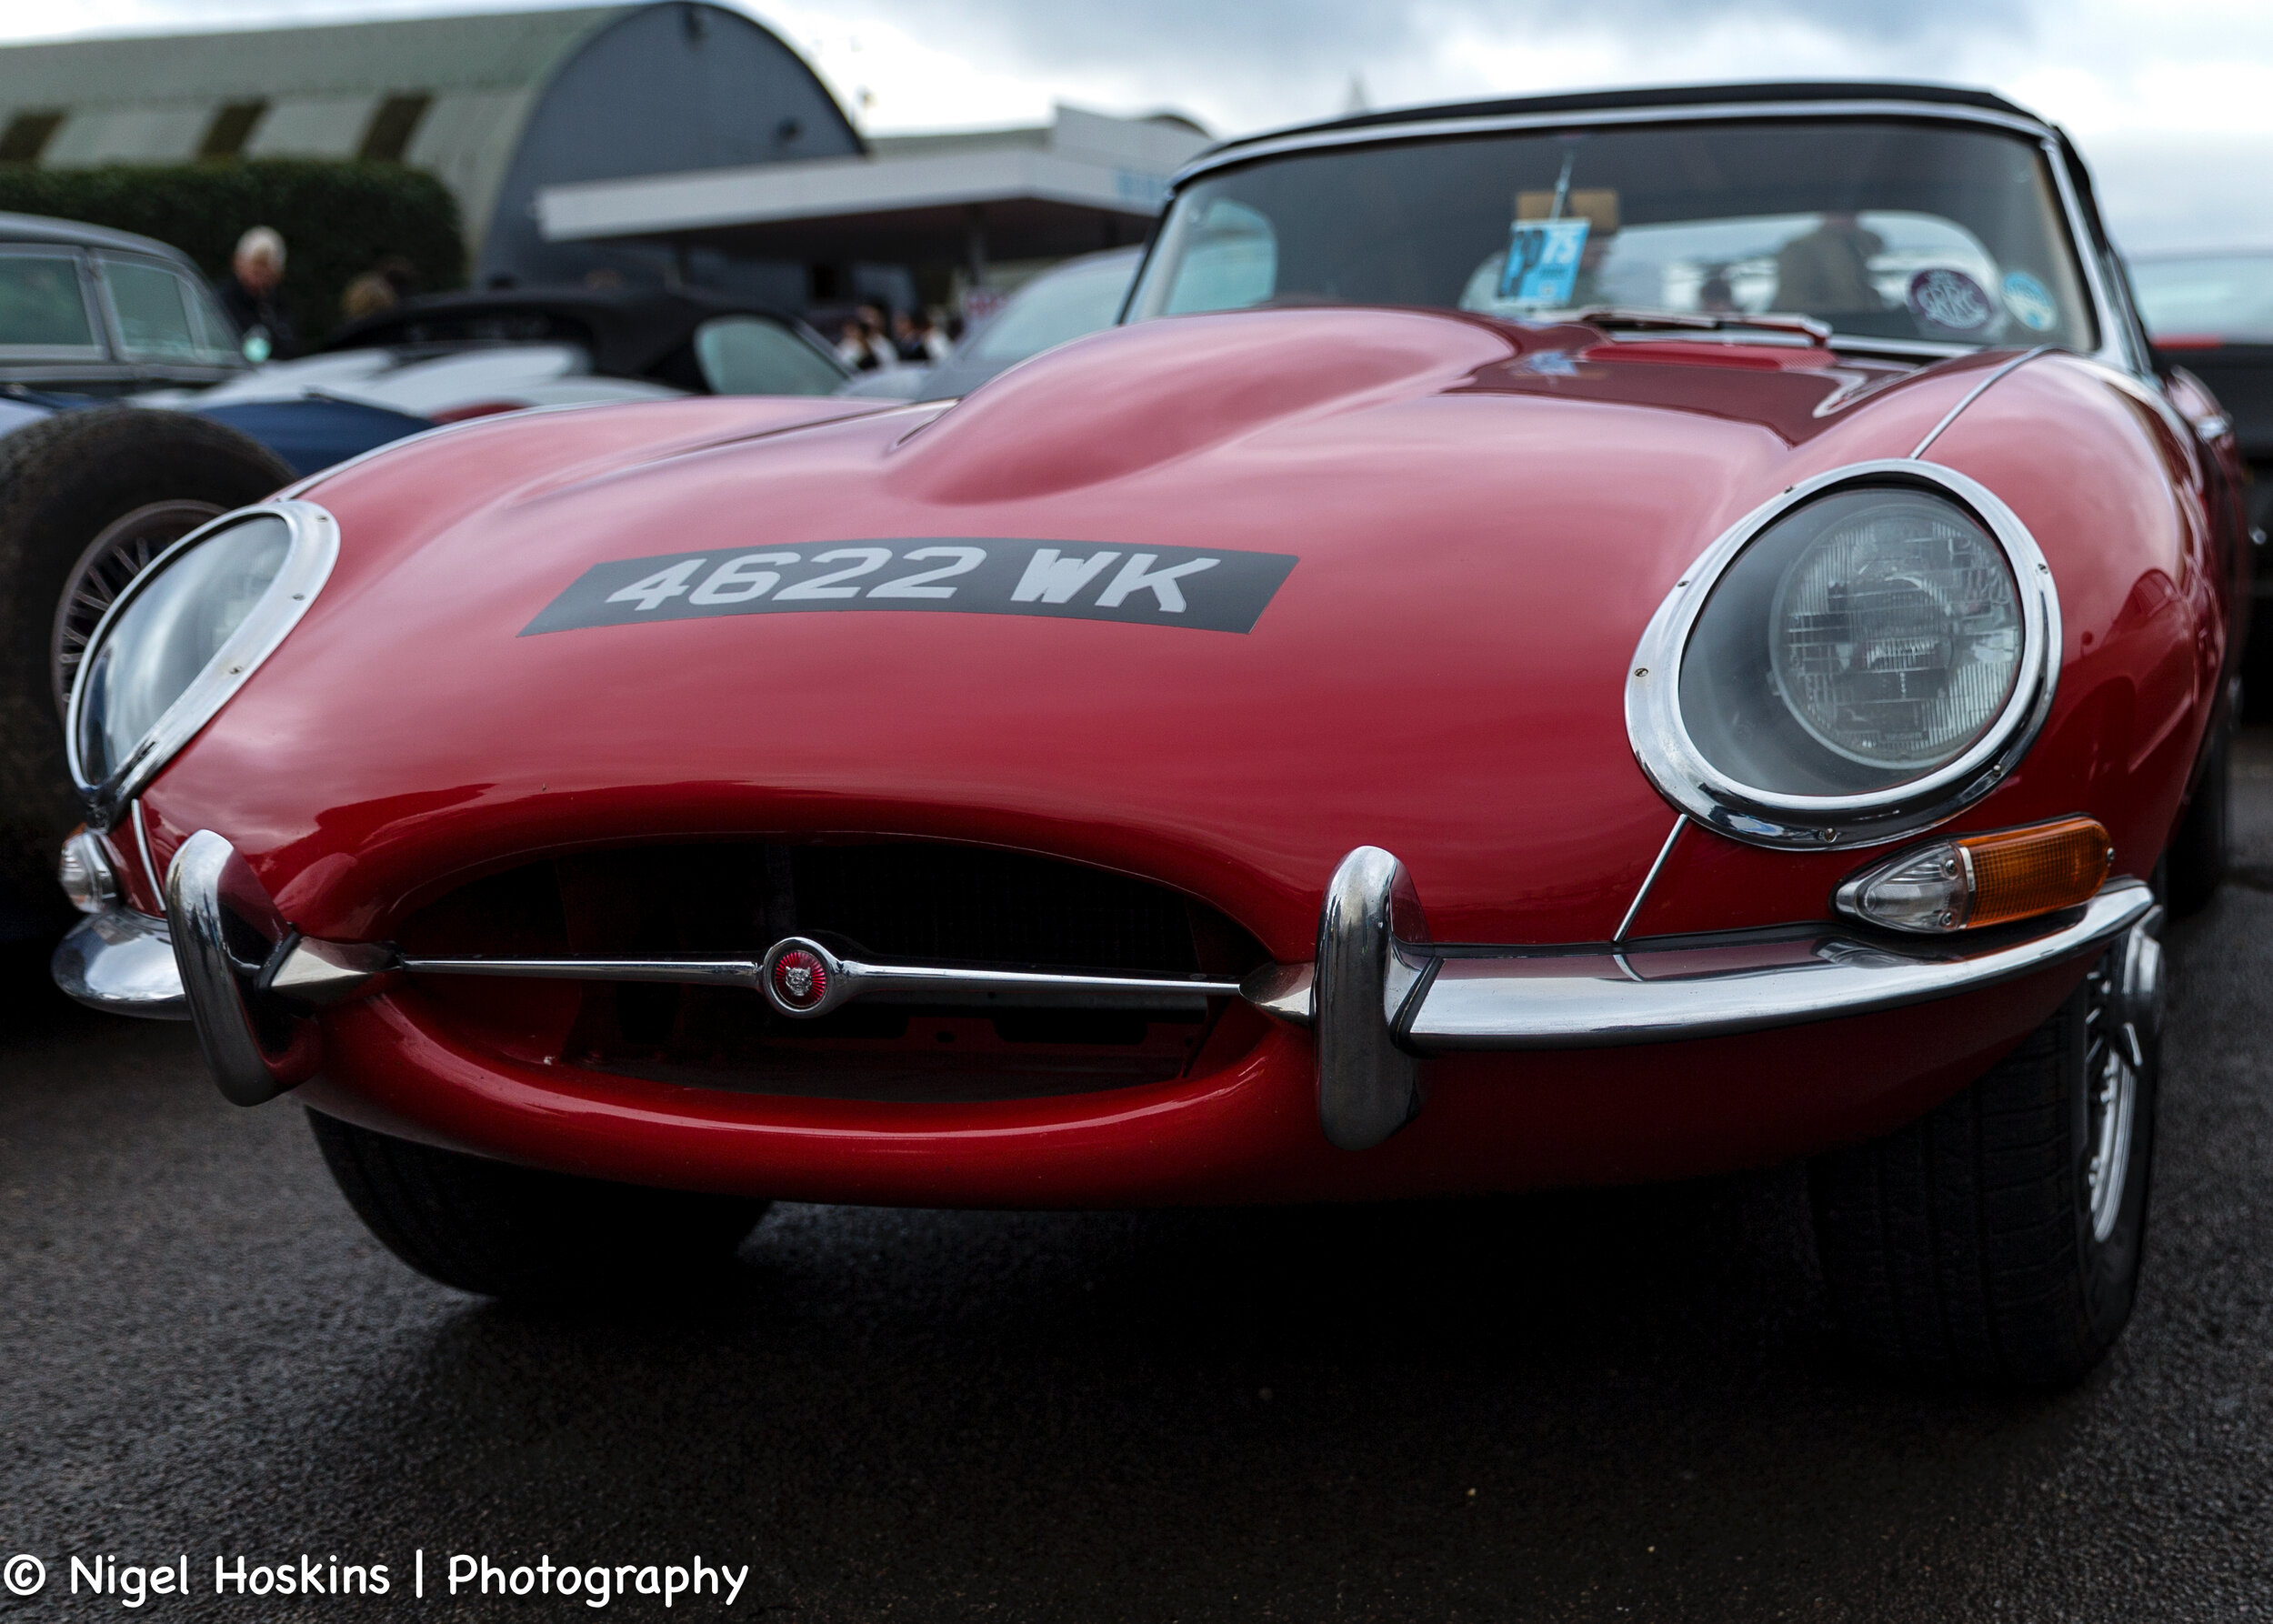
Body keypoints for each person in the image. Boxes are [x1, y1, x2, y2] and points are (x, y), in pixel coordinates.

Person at [1773, 212, 1885, 317]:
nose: (1849, 217)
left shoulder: (1861, 242)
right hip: (1827, 326)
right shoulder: (1800, 248)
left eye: (1853, 212)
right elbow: (1792, 303)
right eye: (1841, 212)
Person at [217, 226, 297, 361]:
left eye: (267, 268)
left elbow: (289, 349)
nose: (261, 273)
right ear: (238, 262)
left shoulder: (278, 305)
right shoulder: (221, 302)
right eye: (256, 267)